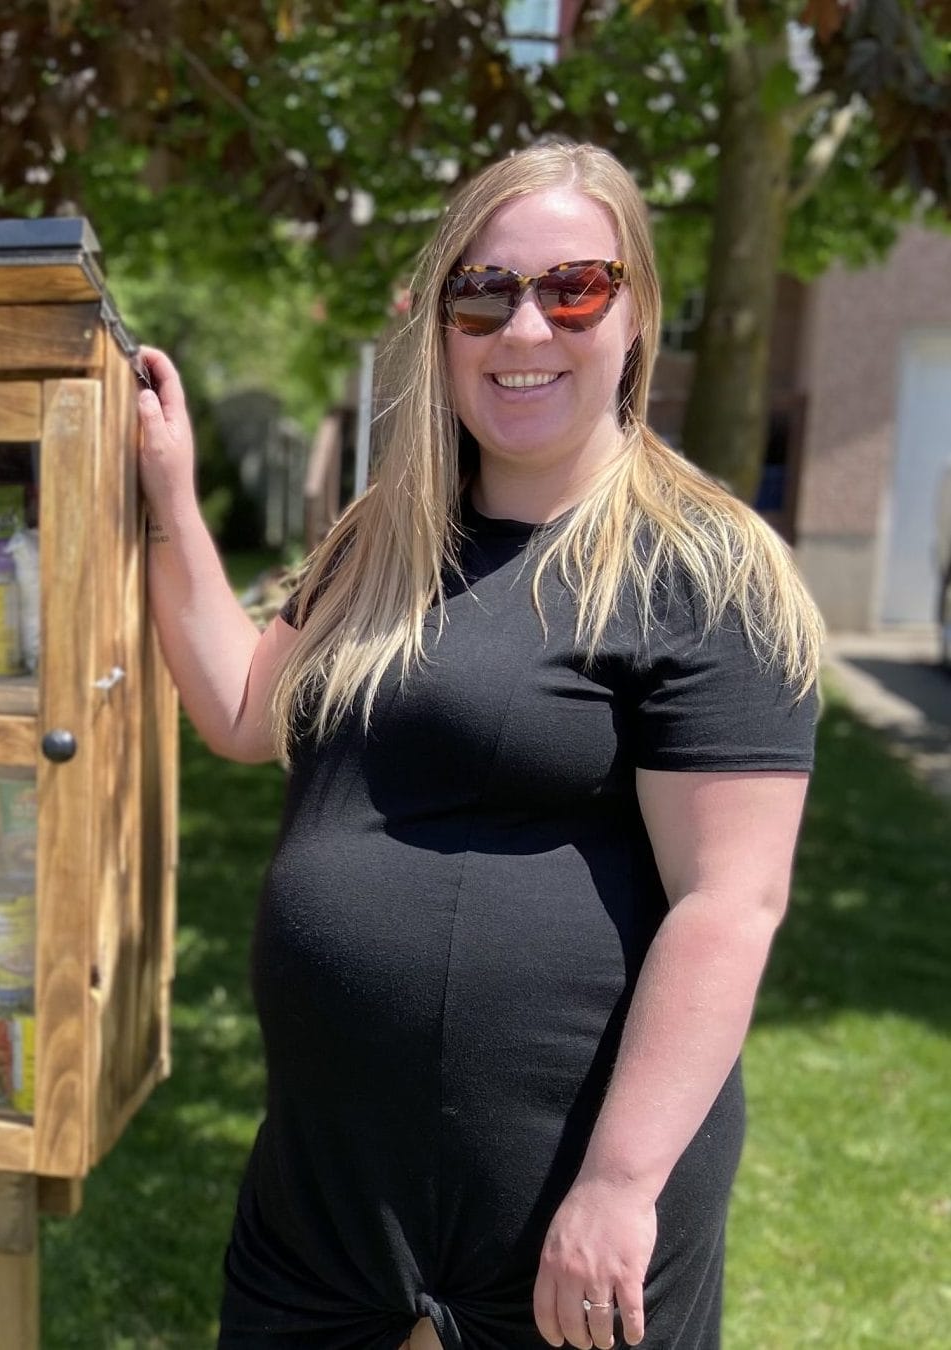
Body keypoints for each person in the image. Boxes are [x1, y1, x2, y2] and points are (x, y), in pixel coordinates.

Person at [135, 141, 822, 1350]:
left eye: (574, 289)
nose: (524, 329)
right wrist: (170, 500)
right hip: (330, 1196)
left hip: (562, 1220)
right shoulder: (384, 540)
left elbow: (732, 902)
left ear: (635, 313)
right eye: (484, 291)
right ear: (440, 321)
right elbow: (246, 710)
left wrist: (617, 1188)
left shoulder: (704, 571)